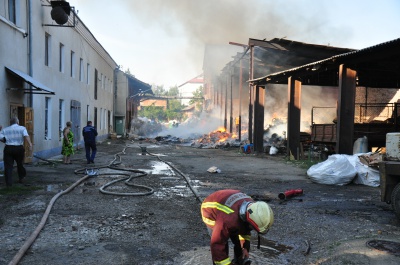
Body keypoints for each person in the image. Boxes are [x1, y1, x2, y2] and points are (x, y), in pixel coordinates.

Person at [201, 189, 274, 265]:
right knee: (222, 246)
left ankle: (239, 260)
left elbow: (246, 229)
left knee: (237, 239)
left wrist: (245, 247)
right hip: (210, 212)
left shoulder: (253, 209)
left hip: (229, 213)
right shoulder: (228, 220)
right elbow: (217, 244)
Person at [0, 117, 33, 187]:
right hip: (19, 148)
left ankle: (9, 183)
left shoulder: (5, 130)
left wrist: (7, 140)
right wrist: (30, 144)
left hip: (8, 148)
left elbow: (2, 139)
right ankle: (21, 177)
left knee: (8, 166)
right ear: (17, 122)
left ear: (10, 123)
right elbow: (26, 136)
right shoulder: (22, 128)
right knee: (20, 163)